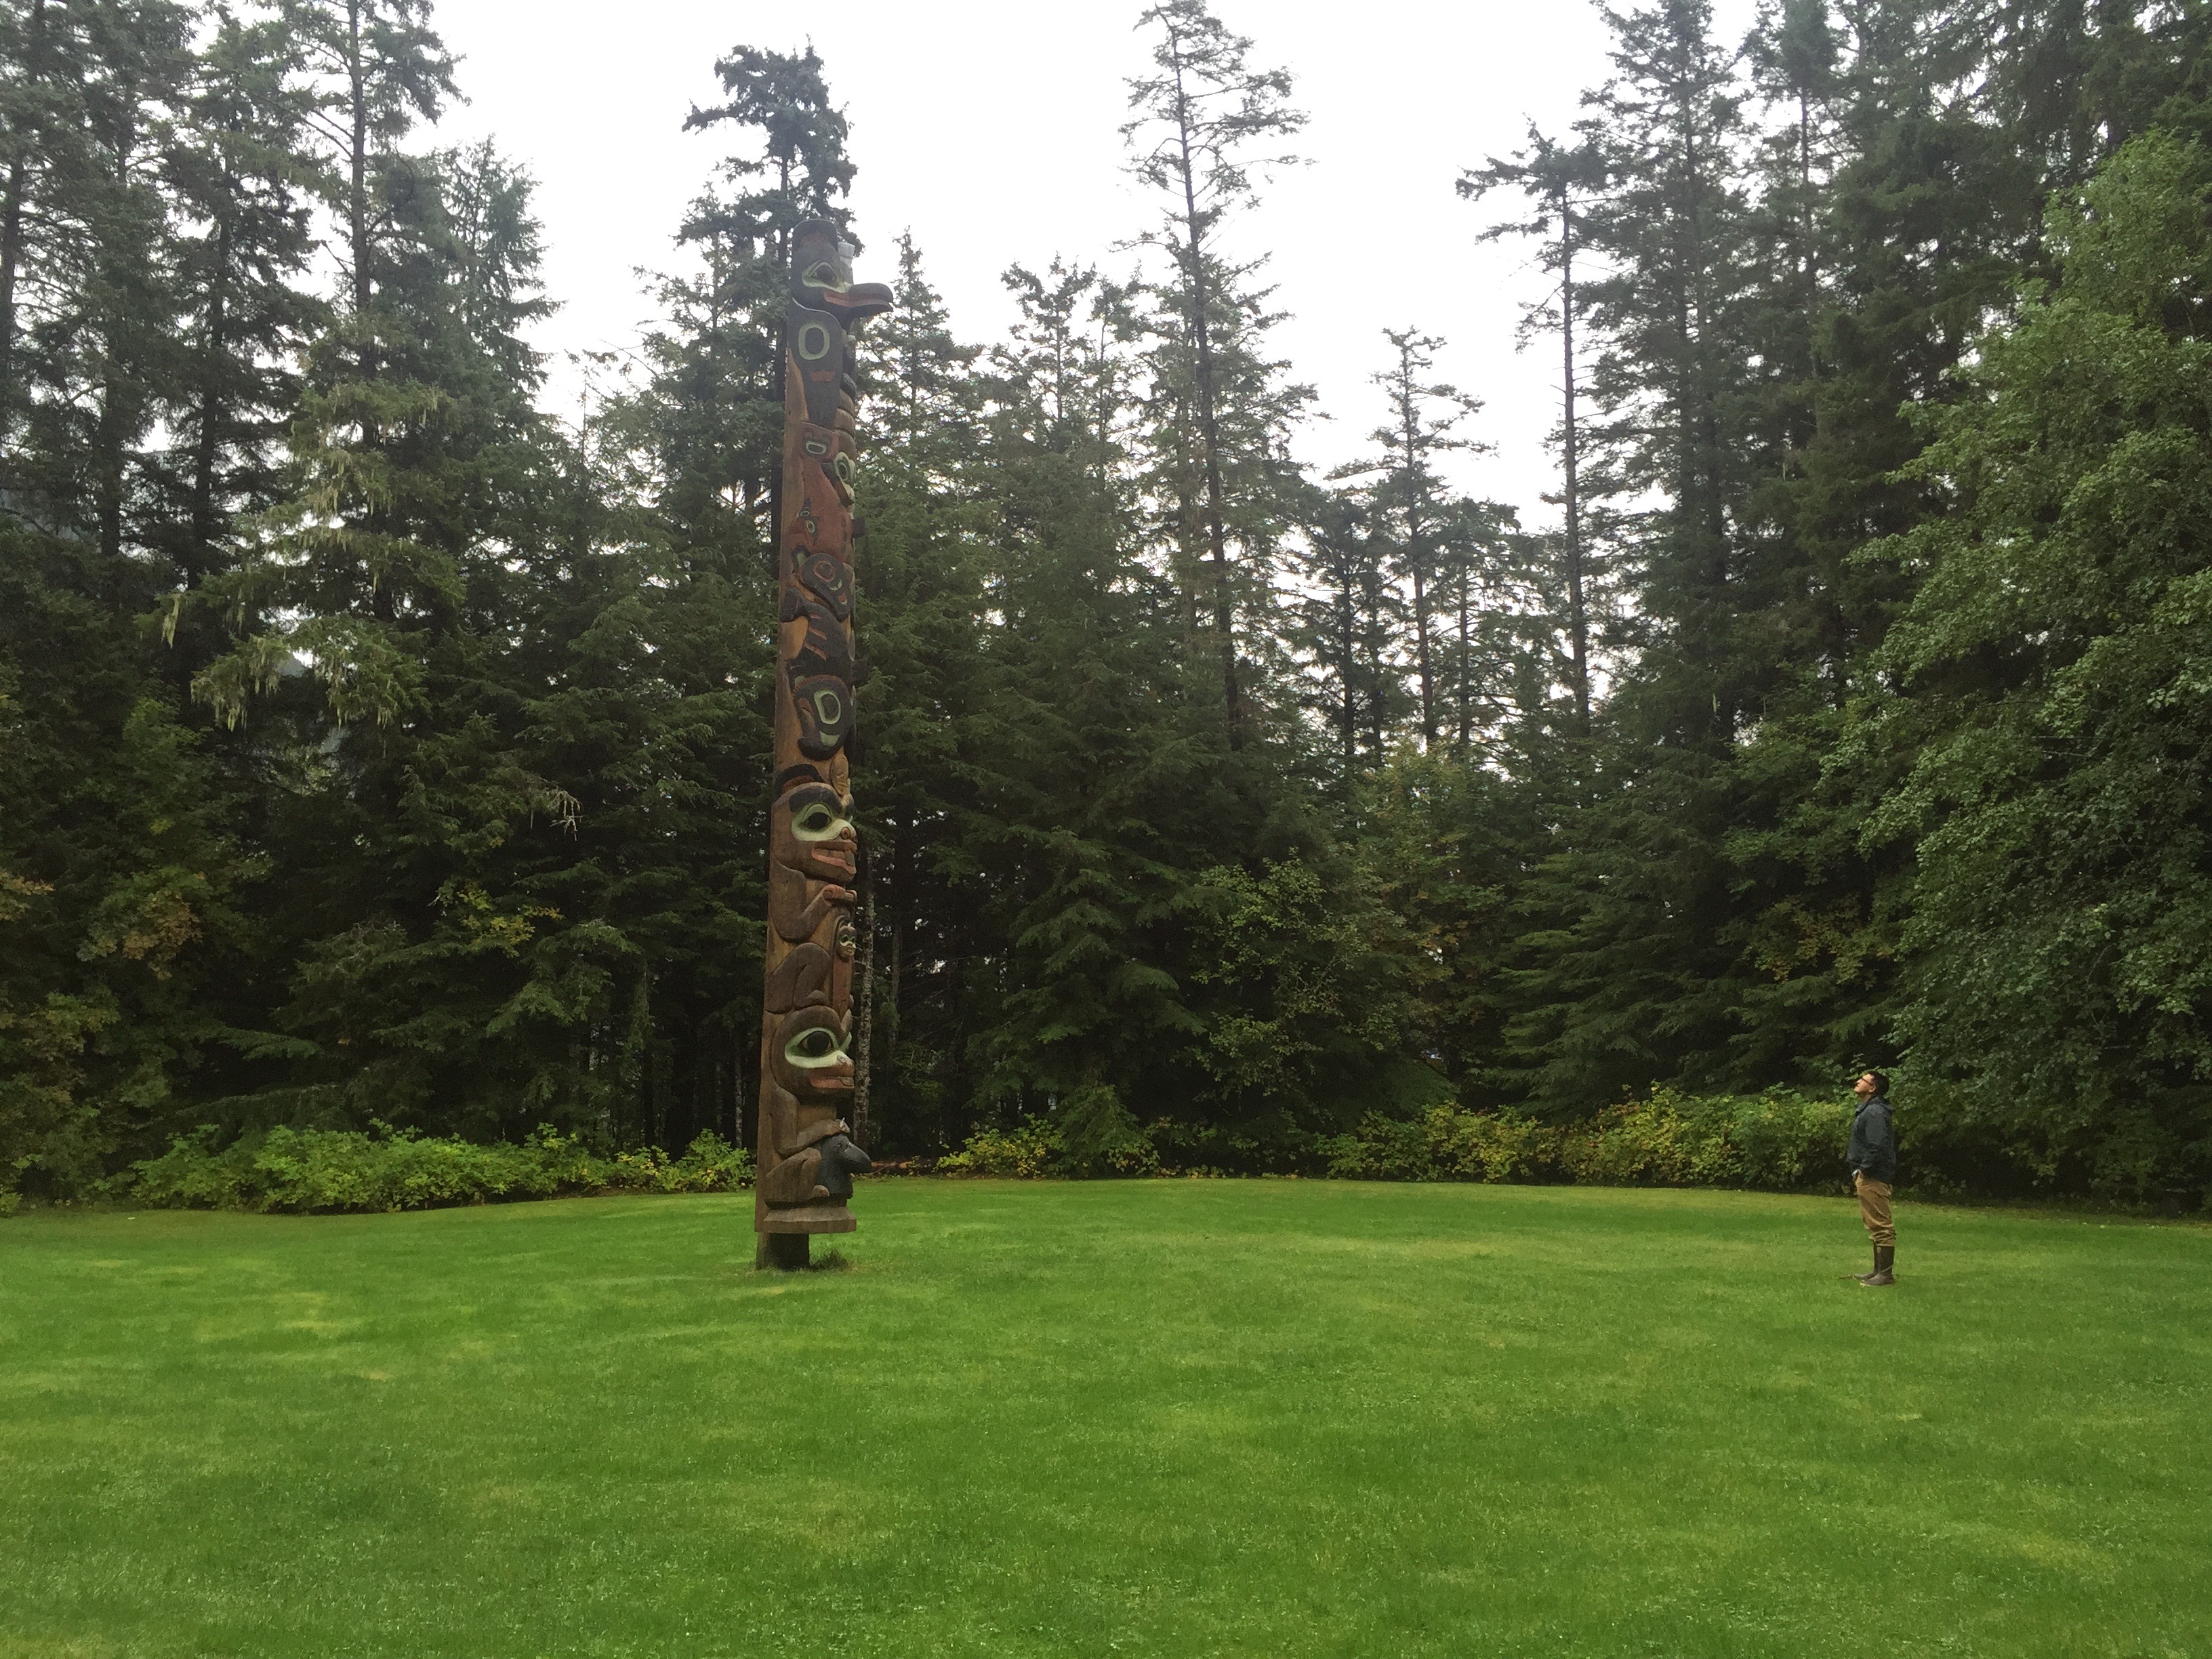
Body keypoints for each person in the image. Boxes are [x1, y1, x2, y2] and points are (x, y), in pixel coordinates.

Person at [1847, 1071, 1897, 1286]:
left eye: (1863, 1080)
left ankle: (1885, 1275)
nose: (1858, 1081)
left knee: (1881, 1223)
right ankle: (1877, 1271)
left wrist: (1864, 1170)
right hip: (1869, 1174)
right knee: (1872, 1223)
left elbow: (1877, 1144)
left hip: (1874, 1176)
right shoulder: (1870, 1110)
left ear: (1873, 1088)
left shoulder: (1875, 1112)